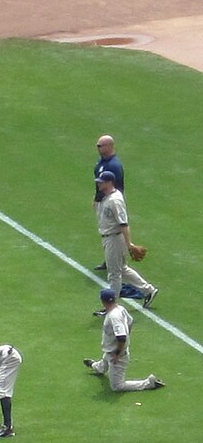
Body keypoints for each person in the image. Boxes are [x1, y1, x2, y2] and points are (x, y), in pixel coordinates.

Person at [94, 171, 159, 311]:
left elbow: (123, 223)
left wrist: (129, 244)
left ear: (109, 183)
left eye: (101, 181)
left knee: (114, 273)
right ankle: (149, 290)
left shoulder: (115, 200)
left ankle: (112, 306)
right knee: (121, 269)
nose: (99, 183)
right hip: (110, 238)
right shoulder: (107, 197)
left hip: (114, 238)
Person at [83, 289, 165, 391]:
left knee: (117, 386)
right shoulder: (120, 308)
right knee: (105, 360)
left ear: (103, 301)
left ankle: (149, 383)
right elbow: (130, 321)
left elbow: (121, 337)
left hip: (117, 353)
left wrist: (117, 353)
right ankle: (97, 367)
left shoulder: (114, 316)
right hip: (111, 350)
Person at [92, 134, 124, 271]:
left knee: (114, 231)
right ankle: (110, 258)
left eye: (100, 146)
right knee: (105, 231)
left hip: (111, 203)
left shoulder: (114, 165)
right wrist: (96, 198)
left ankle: (118, 259)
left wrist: (109, 202)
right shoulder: (101, 162)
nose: (98, 148)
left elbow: (116, 187)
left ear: (110, 146)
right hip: (103, 201)